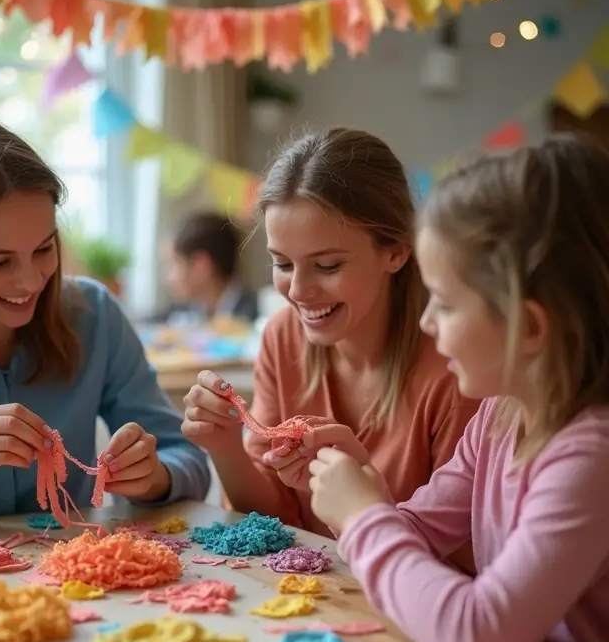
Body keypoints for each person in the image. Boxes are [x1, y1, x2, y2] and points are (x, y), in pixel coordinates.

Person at [308, 136, 609, 642]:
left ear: (531, 327)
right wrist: (365, 492)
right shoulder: (500, 416)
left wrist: (362, 516)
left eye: (444, 304)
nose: (426, 323)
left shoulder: (591, 458)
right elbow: (415, 532)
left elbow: (476, 639)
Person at [0, 118, 210, 530]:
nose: (31, 281)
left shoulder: (94, 315)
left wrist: (155, 476)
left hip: (73, 585)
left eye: (44, 248)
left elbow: (188, 460)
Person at [182, 128, 479, 538]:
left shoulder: (458, 369)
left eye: (327, 266)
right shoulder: (283, 336)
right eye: (283, 264)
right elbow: (271, 519)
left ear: (395, 250)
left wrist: (363, 504)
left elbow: (460, 560)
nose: (299, 292)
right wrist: (224, 445)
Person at [153, 210, 258, 325]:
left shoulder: (255, 317)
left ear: (201, 266)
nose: (168, 278)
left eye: (174, 264)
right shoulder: (180, 312)